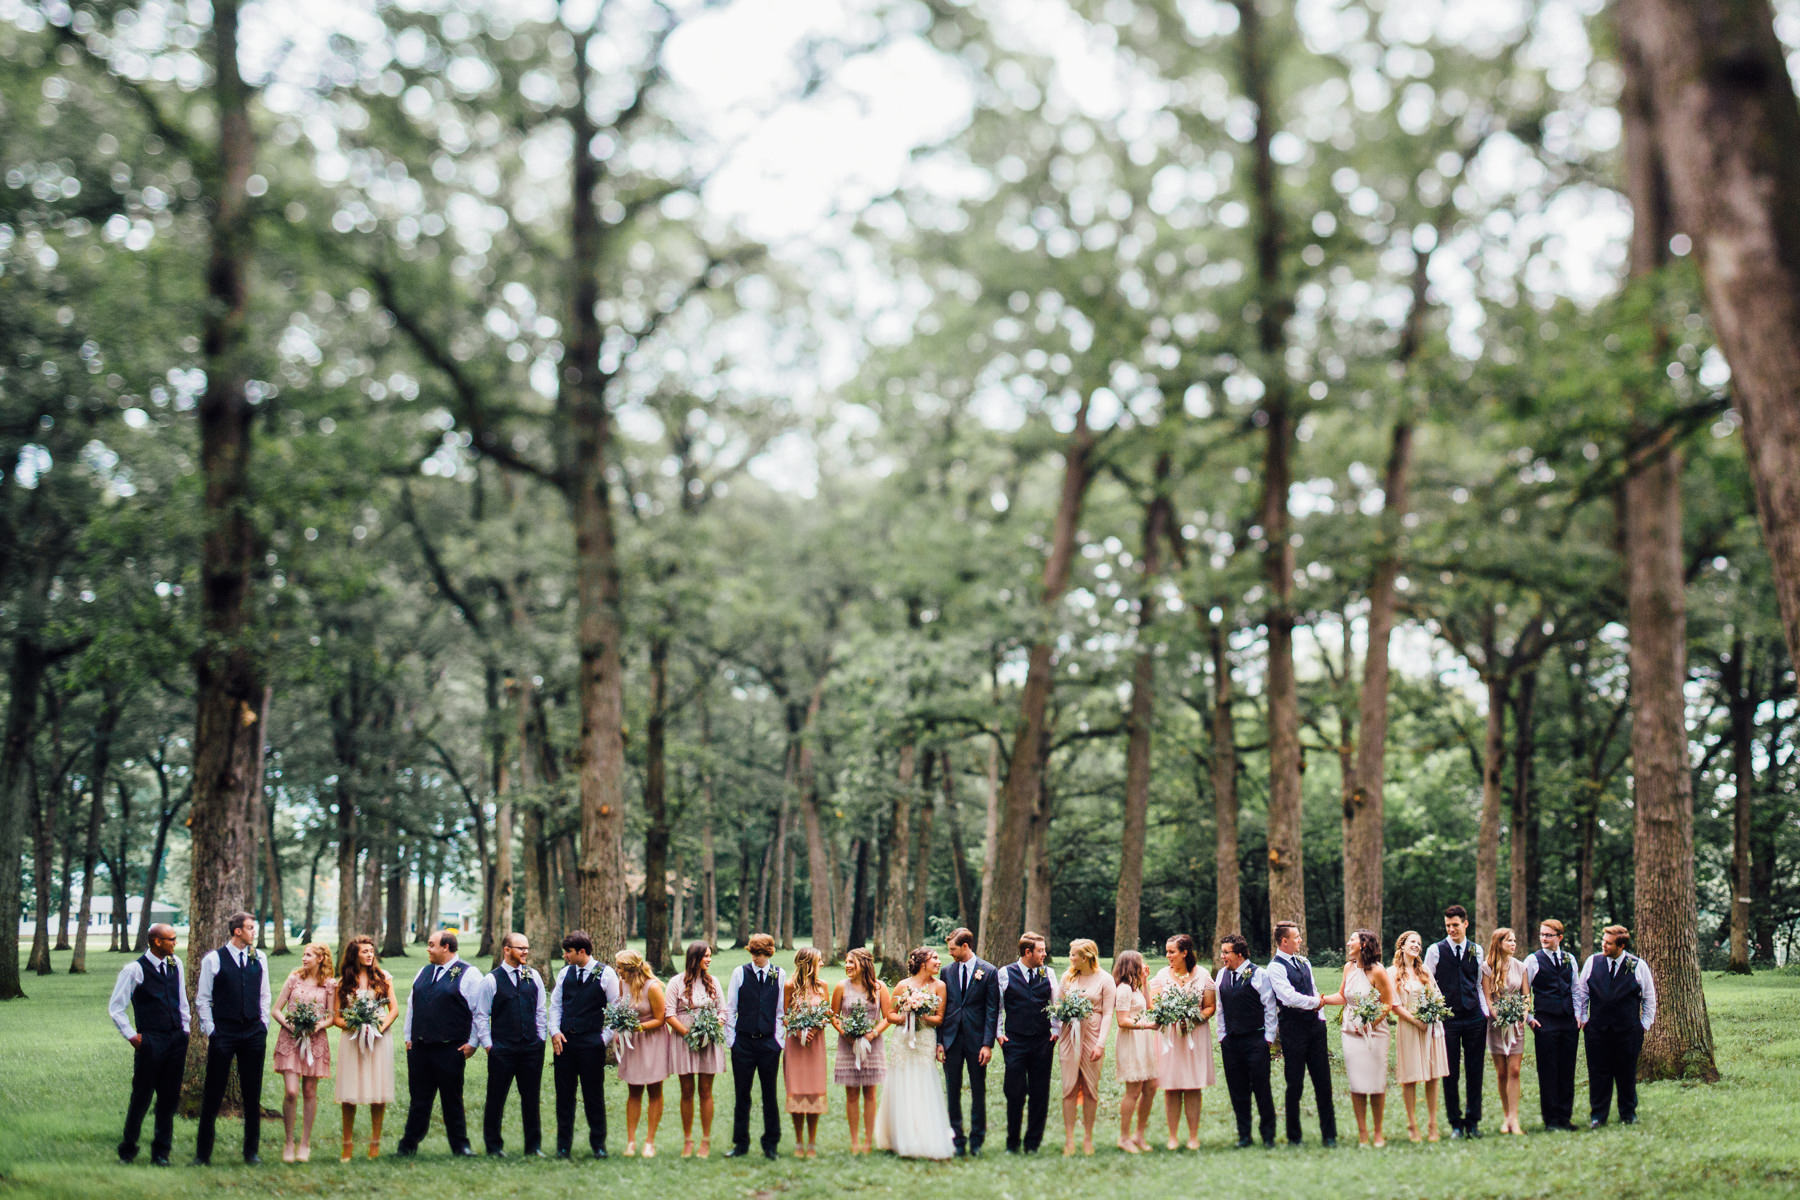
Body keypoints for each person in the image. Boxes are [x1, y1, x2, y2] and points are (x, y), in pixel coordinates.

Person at [192, 911, 271, 1166]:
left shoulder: (259, 957)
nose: (254, 932)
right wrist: (211, 1030)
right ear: (238, 931)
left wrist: (263, 1024)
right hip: (224, 1033)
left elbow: (264, 994)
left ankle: (251, 1152)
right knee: (213, 1093)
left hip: (253, 1033)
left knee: (252, 1093)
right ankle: (202, 1154)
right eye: (250, 928)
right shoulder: (213, 959)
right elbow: (203, 998)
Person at [109, 922, 189, 1167]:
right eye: (171, 939)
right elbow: (116, 1007)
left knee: (169, 1099)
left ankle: (161, 1153)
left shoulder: (176, 964)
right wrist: (132, 1036)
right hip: (151, 1041)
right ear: (157, 941)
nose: (175, 943)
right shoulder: (135, 970)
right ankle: (128, 1150)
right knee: (141, 1098)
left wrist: (185, 1030)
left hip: (176, 1040)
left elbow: (181, 1000)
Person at [397, 929, 482, 1157]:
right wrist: (408, 1037)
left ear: (446, 947)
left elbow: (479, 1011)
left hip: (449, 1048)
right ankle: (408, 1145)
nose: (428, 949)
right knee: (419, 1099)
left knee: (452, 1099)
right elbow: (412, 1006)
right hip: (420, 1048)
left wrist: (473, 1043)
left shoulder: (469, 974)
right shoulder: (423, 972)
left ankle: (460, 1146)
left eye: (431, 944)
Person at [872, 946, 955, 1159]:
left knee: (923, 1081)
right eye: (934, 958)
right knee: (901, 1081)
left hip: (925, 1039)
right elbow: (890, 1014)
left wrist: (921, 1015)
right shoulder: (903, 985)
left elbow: (939, 1018)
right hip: (903, 1040)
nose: (938, 961)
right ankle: (898, 1136)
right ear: (922, 963)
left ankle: (923, 1135)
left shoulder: (940, 986)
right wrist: (905, 1016)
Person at [1268, 920, 1343, 1148]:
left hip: (1315, 1028)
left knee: (1323, 1082)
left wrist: (1320, 1018)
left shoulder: (1304, 962)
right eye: (1296, 937)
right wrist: (1315, 1003)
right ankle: (1294, 1136)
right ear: (1284, 941)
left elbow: (1312, 988)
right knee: (1295, 1083)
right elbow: (1288, 997)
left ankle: (1329, 1135)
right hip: (1293, 1029)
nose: (1300, 940)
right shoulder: (1275, 967)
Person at [1575, 924, 1657, 1128]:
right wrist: (1583, 1018)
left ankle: (1628, 1113)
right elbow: (1582, 992)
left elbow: (1649, 997)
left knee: (1626, 1073)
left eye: (1609, 943)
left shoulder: (1638, 966)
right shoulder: (1593, 962)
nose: (1603, 945)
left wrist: (1644, 1025)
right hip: (1597, 1031)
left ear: (1621, 946)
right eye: (1603, 941)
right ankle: (1598, 1115)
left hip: (1628, 1032)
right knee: (1598, 1073)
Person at [473, 932, 547, 1157]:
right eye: (520, 948)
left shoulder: (533, 976)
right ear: (507, 950)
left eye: (527, 948)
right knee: (496, 1098)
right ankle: (493, 1146)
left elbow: (540, 1010)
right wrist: (488, 1045)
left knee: (531, 1098)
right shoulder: (491, 980)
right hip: (502, 1049)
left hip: (531, 1048)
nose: (526, 952)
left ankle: (533, 1147)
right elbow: (481, 1015)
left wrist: (541, 1039)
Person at [548, 929, 620, 1158]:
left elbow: (616, 1010)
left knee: (593, 1095)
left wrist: (603, 1039)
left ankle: (598, 1145)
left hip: (591, 1043)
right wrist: (555, 1032)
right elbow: (556, 1006)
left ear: (581, 951)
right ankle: (563, 1146)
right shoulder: (565, 973)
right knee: (564, 1096)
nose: (564, 956)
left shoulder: (606, 974)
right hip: (565, 1044)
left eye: (568, 952)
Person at [1423, 903, 1491, 1138]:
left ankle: (1473, 1122)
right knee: (1450, 1072)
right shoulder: (1435, 950)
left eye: (1455, 925)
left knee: (1475, 1071)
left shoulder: (1477, 950)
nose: (1451, 929)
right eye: (1447, 926)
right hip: (1448, 1020)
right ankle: (1455, 1123)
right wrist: (1435, 1014)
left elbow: (1479, 983)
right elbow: (1427, 984)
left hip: (1474, 1018)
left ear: (1465, 924)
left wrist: (1484, 1013)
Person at [723, 931, 787, 1159]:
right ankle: (740, 1144)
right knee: (742, 1095)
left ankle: (771, 1144)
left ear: (768, 953)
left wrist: (778, 1040)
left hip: (769, 1044)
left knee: (770, 1095)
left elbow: (780, 1010)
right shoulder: (740, 973)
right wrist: (732, 1041)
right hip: (743, 1044)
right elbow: (731, 1009)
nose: (756, 958)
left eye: (760, 953)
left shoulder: (779, 974)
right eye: (753, 953)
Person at [1149, 933, 1216, 1150]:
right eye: (1167, 952)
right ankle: (1172, 1137)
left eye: (1172, 952)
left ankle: (1193, 1136)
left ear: (1184, 953)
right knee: (1171, 1087)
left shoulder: (1203, 975)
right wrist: (1170, 1017)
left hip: (1195, 1036)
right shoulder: (1161, 976)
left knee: (1193, 1085)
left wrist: (1193, 1020)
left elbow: (1210, 1007)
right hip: (1170, 1038)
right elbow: (1153, 1006)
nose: (1168, 955)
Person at [333, 935, 397, 1161]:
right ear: (354, 955)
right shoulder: (343, 982)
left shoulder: (383, 977)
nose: (370, 955)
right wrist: (356, 1025)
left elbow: (394, 1010)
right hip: (352, 1040)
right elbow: (336, 1017)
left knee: (378, 1090)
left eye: (371, 951)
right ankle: (347, 1145)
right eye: (365, 951)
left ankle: (375, 1144)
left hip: (379, 1040)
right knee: (349, 1092)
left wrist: (379, 1027)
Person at [271, 941, 336, 1162]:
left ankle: (304, 1144)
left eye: (309, 955)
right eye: (304, 954)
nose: (304, 958)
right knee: (291, 1092)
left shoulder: (329, 985)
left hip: (314, 1042)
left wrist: (318, 1025)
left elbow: (331, 1017)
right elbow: (276, 1010)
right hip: (290, 1040)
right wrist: (291, 1026)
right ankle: (289, 1142)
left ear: (320, 959)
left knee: (309, 1091)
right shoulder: (293, 979)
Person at [936, 926, 997, 1157]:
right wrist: (940, 1041)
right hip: (951, 1039)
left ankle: (977, 1140)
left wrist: (987, 1044)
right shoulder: (946, 971)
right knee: (952, 1090)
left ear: (965, 946)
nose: (950, 953)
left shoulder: (988, 971)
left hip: (977, 1040)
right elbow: (942, 1008)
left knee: (978, 1090)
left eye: (953, 949)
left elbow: (992, 1010)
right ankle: (957, 1139)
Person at [996, 931, 1058, 1154]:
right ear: (1027, 952)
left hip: (1042, 1041)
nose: (1044, 954)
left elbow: (1055, 1003)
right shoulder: (1005, 973)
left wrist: (1056, 1030)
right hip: (1015, 1041)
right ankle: (1012, 1142)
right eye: (1040, 950)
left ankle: (1032, 1143)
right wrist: (999, 1033)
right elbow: (998, 1006)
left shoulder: (1048, 973)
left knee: (1040, 1093)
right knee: (1014, 1091)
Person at [1214, 934, 1278, 1148]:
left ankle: (1268, 1136)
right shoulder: (1221, 975)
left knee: (1261, 1089)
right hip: (1231, 1043)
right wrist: (1222, 1036)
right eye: (1222, 952)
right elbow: (1220, 1008)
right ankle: (1244, 1135)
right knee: (1237, 1090)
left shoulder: (1259, 974)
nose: (1222, 956)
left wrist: (1268, 1038)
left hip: (1256, 1041)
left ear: (1239, 954)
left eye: (1226, 952)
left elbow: (1270, 1007)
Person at [666, 941, 727, 1158]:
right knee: (686, 1091)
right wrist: (689, 1034)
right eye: (706, 956)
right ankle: (688, 1140)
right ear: (695, 958)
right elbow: (669, 1014)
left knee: (706, 1091)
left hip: (708, 1041)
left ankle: (706, 1140)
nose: (709, 959)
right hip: (684, 1040)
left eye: (710, 956)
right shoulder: (676, 982)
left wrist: (711, 1029)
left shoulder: (714, 982)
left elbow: (723, 1011)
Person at [1056, 937, 1114, 1156]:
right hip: (1069, 1036)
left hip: (1092, 1036)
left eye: (1073, 954)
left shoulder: (1105, 979)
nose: (1070, 958)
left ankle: (1088, 1138)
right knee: (1069, 1088)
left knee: (1090, 1089)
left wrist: (1100, 1043)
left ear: (1086, 957)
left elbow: (1108, 1013)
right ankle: (1069, 1139)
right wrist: (1064, 1012)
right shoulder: (1067, 977)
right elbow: (1058, 1004)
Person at [1391, 930, 1449, 1142]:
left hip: (1430, 1028)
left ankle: (1433, 1124)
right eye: (1412, 942)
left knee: (1433, 1076)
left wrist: (1432, 1015)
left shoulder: (1425, 971)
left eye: (1419, 943)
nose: (1416, 945)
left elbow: (1437, 997)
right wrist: (1416, 1021)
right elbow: (1394, 1005)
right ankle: (1412, 1124)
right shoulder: (1392, 972)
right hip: (1409, 1028)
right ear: (1402, 946)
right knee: (1410, 1077)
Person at [832, 946, 889, 1155]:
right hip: (848, 1046)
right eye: (846, 962)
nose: (847, 965)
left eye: (851, 962)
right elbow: (833, 1015)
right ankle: (854, 1141)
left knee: (870, 1094)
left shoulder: (879, 987)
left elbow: (888, 1016)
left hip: (873, 1045)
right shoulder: (841, 987)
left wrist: (872, 1034)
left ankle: (867, 1141)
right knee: (852, 1093)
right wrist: (845, 1033)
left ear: (863, 965)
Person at [1340, 929, 1395, 1148]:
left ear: (1363, 944)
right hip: (1350, 1033)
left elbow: (1388, 1003)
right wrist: (1319, 1000)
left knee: (1376, 1083)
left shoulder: (1378, 971)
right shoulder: (1348, 968)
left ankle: (1378, 1132)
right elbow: (1342, 996)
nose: (1348, 943)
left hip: (1374, 1034)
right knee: (1357, 1083)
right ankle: (1363, 1133)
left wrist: (1369, 1022)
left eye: (1352, 940)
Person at [615, 949, 670, 1157]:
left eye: (620, 967)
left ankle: (649, 1141)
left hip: (652, 1041)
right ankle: (631, 1141)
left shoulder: (653, 987)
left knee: (654, 1090)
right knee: (634, 1090)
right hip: (633, 1044)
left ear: (630, 969)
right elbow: (621, 1009)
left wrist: (639, 1027)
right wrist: (620, 1029)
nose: (618, 971)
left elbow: (661, 1019)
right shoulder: (622, 984)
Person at [1526, 919, 1580, 1131]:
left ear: (1560, 937)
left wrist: (1578, 1015)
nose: (1544, 938)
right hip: (1545, 1021)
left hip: (1568, 1021)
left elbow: (1575, 989)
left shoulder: (1569, 959)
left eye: (1548, 935)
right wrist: (1529, 1018)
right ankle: (1551, 1120)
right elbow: (1523, 991)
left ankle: (1565, 1118)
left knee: (1567, 1069)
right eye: (1542, 934)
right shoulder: (1533, 960)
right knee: (1548, 1070)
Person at [782, 946, 830, 1157]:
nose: (822, 964)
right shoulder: (789, 986)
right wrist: (799, 1030)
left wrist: (814, 1030)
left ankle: (811, 1141)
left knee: (814, 1091)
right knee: (797, 1091)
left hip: (815, 1045)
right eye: (819, 961)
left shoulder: (822, 986)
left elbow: (827, 1014)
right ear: (809, 964)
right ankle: (799, 1141)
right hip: (795, 1045)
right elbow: (784, 1016)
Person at [1482, 927, 1531, 1136]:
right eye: (1509, 940)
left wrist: (1522, 1014)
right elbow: (1487, 998)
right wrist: (1497, 1015)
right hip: (1496, 1025)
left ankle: (1514, 1117)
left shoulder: (1521, 967)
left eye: (1514, 940)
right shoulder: (1487, 967)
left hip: (1516, 1024)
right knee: (1502, 1072)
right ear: (1499, 943)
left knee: (1515, 1070)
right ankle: (1506, 1117)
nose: (1513, 944)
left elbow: (1526, 996)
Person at [1110, 950, 1159, 1153]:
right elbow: (1122, 1021)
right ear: (1132, 965)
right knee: (1134, 1090)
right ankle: (1124, 1137)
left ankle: (1139, 1134)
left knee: (1151, 1087)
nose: (1144, 964)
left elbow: (1149, 1006)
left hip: (1144, 1041)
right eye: (1141, 962)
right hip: (1131, 1041)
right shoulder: (1123, 990)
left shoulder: (1136, 988)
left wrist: (1145, 982)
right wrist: (1148, 1026)